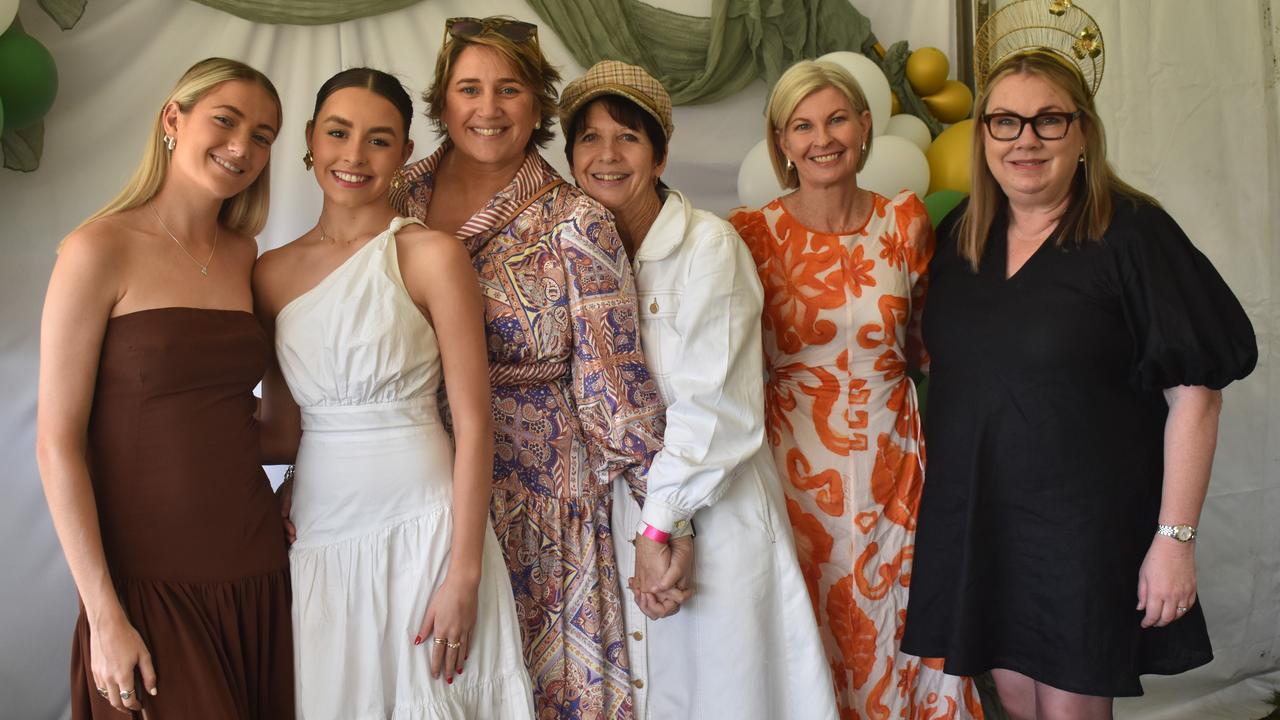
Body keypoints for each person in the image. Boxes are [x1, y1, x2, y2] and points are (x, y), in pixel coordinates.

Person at [900, 40, 1258, 719]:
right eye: (1005, 121)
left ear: (1084, 132)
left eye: (1049, 120)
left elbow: (1197, 397)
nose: (1024, 140)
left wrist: (1174, 540)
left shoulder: (1134, 234)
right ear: (983, 137)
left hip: (1083, 532)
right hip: (983, 521)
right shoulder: (959, 236)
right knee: (1012, 701)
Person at [390, 18, 667, 718]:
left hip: (540, 507)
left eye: (509, 89)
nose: (488, 108)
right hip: (410, 489)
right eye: (470, 88)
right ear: (442, 101)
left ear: (538, 104)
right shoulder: (393, 199)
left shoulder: (578, 220)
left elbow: (617, 387)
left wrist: (666, 523)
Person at [558, 60, 839, 720]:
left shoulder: (709, 247)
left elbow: (717, 408)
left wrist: (663, 524)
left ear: (660, 153)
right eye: (588, 138)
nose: (606, 156)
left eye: (627, 137)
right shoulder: (567, 255)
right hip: (622, 523)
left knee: (724, 695)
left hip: (714, 513)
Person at [254, 68, 534, 719]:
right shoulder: (268, 272)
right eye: (339, 133)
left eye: (379, 140)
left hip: (428, 527)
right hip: (320, 527)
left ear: (405, 154)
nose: (354, 156)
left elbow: (474, 424)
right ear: (310, 141)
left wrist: (464, 572)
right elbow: (279, 423)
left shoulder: (432, 256)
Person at [35, 58, 292, 718]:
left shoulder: (246, 257)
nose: (242, 147)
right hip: (143, 588)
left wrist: (307, 485)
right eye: (226, 121)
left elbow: (273, 424)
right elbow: (57, 445)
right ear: (174, 119)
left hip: (257, 569)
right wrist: (103, 614)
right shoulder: (98, 250)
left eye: (263, 135)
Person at [729, 60, 981, 719]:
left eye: (837, 118)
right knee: (809, 623)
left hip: (896, 466)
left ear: (865, 127)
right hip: (793, 469)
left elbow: (930, 344)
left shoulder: (904, 223)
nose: (823, 138)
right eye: (802, 126)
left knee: (903, 617)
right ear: (781, 142)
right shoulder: (749, 235)